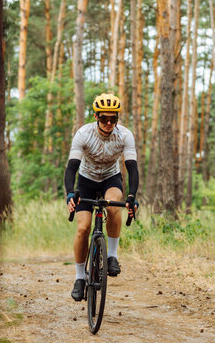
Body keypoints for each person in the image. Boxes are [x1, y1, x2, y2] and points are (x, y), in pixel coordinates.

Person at [64, 93, 139, 301]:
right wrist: (71, 192)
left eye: (113, 119)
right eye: (104, 118)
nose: (108, 123)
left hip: (110, 178)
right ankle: (80, 277)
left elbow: (132, 168)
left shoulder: (124, 135)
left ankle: (112, 256)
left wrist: (131, 196)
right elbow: (71, 168)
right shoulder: (83, 134)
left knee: (114, 205)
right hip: (86, 180)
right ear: (96, 116)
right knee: (83, 227)